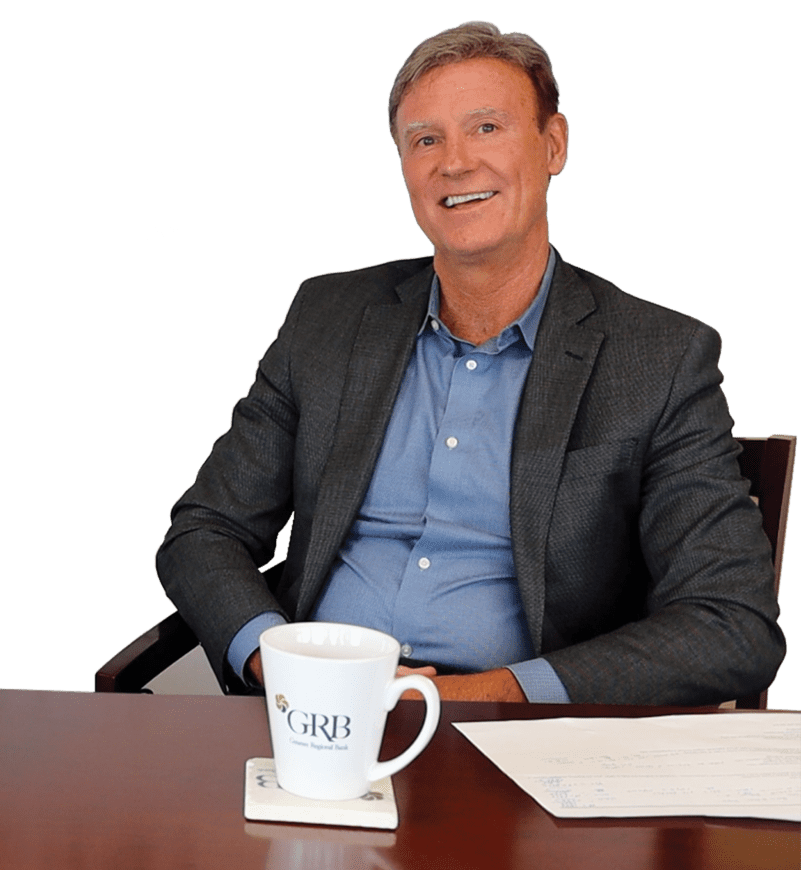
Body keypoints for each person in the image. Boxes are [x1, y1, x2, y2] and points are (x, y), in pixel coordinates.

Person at [155, 22, 783, 706]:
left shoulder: (658, 358)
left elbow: (732, 625)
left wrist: (491, 695)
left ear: (554, 145)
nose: (454, 162)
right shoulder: (327, 318)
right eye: (426, 139)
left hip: (518, 740)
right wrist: (278, 661)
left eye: (486, 128)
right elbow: (204, 530)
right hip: (310, 711)